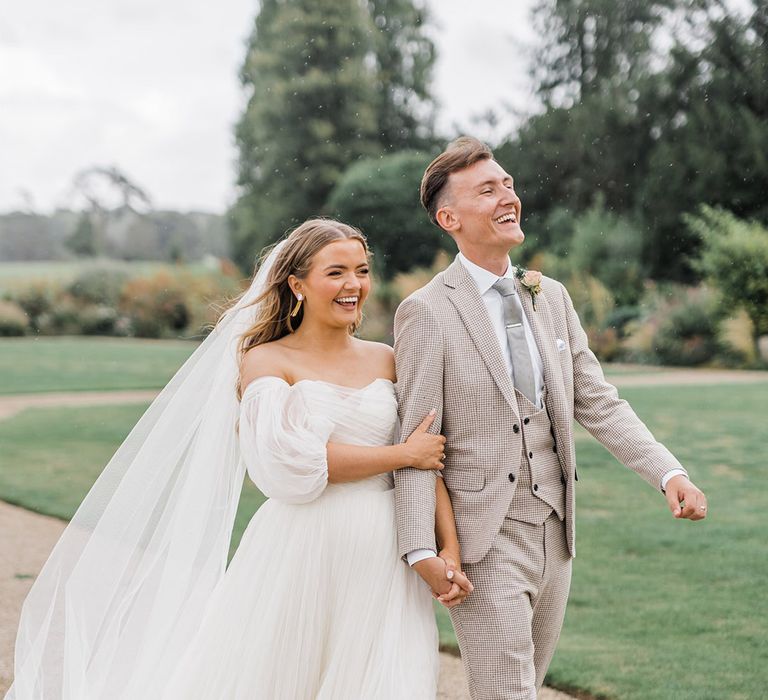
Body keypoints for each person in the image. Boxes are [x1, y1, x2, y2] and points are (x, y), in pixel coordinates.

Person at [7, 218, 471, 700]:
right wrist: (401, 454)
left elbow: (429, 460)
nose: (353, 285)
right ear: (297, 284)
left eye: (361, 270)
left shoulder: (387, 358)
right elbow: (290, 463)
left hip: (385, 553)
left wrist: (447, 550)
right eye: (335, 273)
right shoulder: (266, 360)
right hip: (302, 549)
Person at [393, 137, 708, 700]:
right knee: (507, 693)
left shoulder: (551, 296)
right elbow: (417, 440)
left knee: (524, 687)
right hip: (482, 540)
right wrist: (423, 550)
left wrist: (669, 472)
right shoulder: (426, 311)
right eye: (487, 190)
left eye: (508, 184)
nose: (507, 196)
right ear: (450, 217)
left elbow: (597, 400)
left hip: (556, 536)